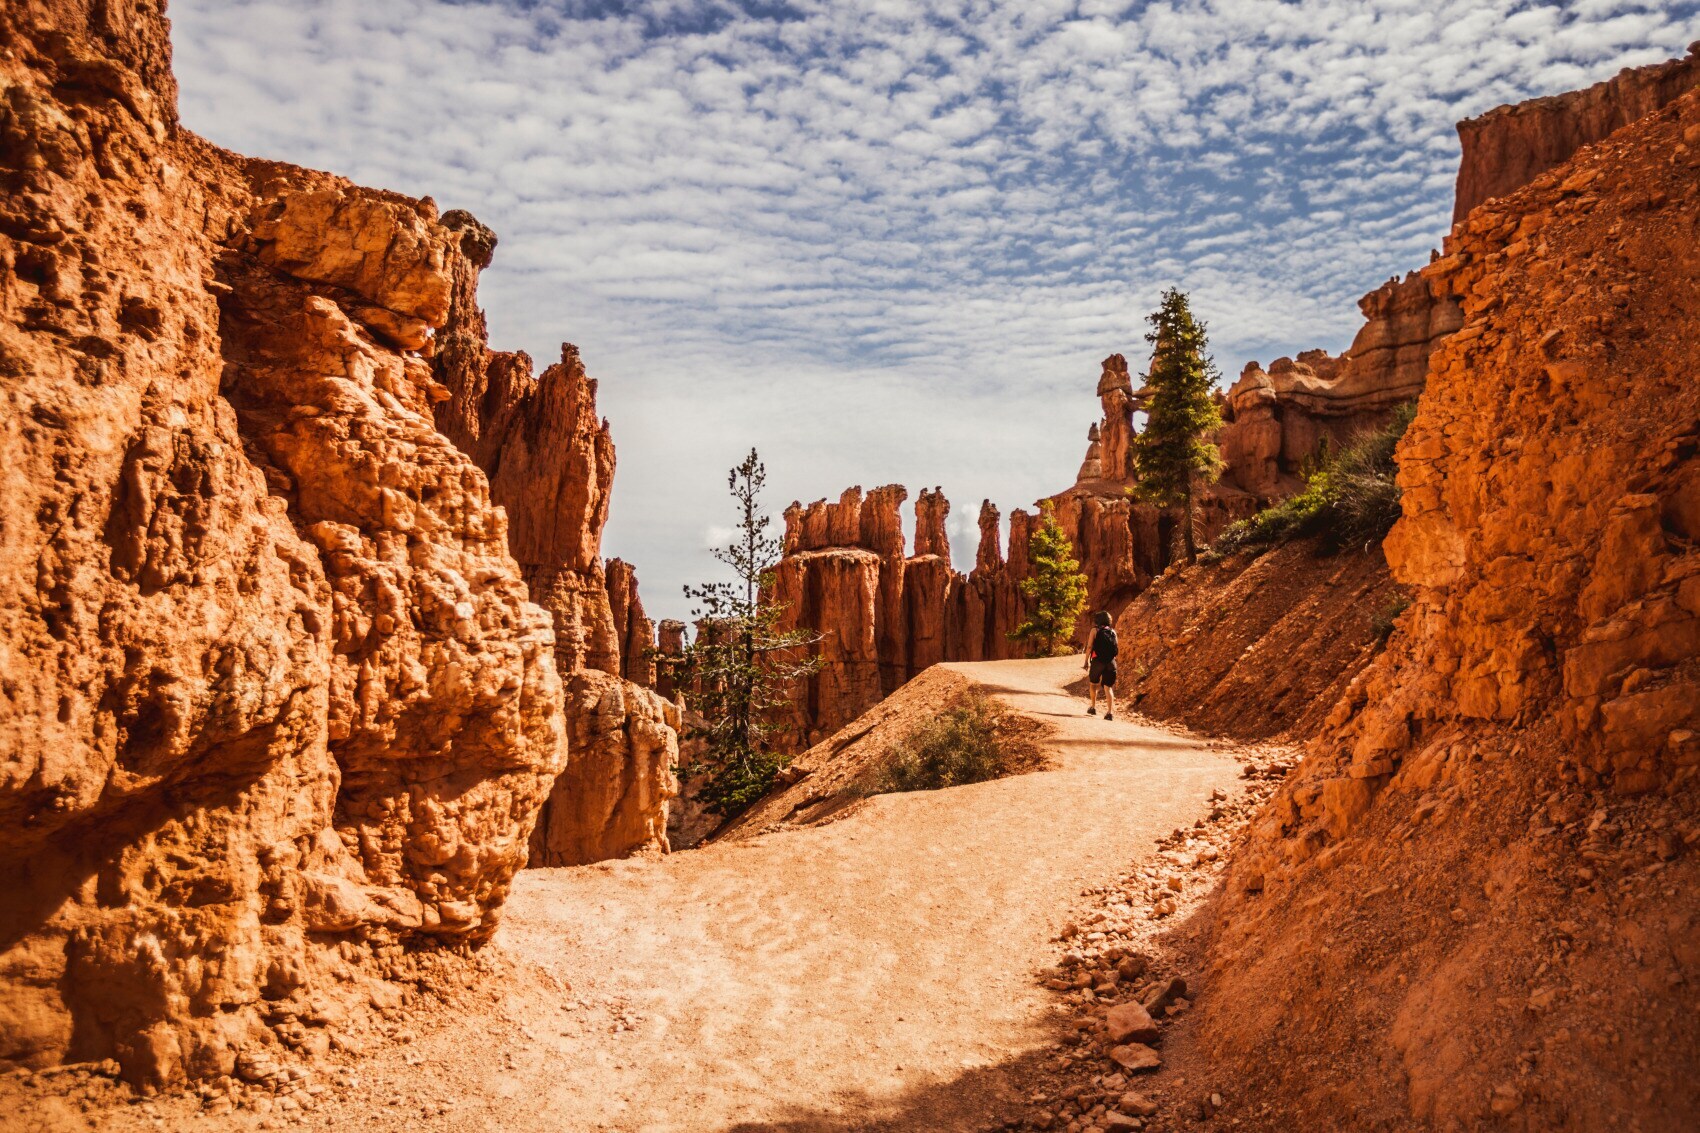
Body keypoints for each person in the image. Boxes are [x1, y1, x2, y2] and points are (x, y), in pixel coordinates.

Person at [1084, 610, 1118, 721]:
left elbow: (1089, 647)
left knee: (1093, 684)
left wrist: (1086, 661)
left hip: (1097, 661)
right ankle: (1109, 713)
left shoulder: (1095, 630)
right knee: (1108, 687)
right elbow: (1115, 649)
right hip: (1111, 662)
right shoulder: (1113, 632)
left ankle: (1093, 707)